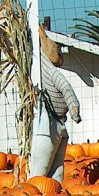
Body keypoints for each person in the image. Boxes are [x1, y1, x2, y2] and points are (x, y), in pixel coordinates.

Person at [30, 26, 81, 182]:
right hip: (57, 123)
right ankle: (54, 194)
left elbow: (66, 89)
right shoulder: (42, 68)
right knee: (56, 170)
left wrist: (74, 111)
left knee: (39, 172)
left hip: (50, 124)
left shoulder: (48, 70)